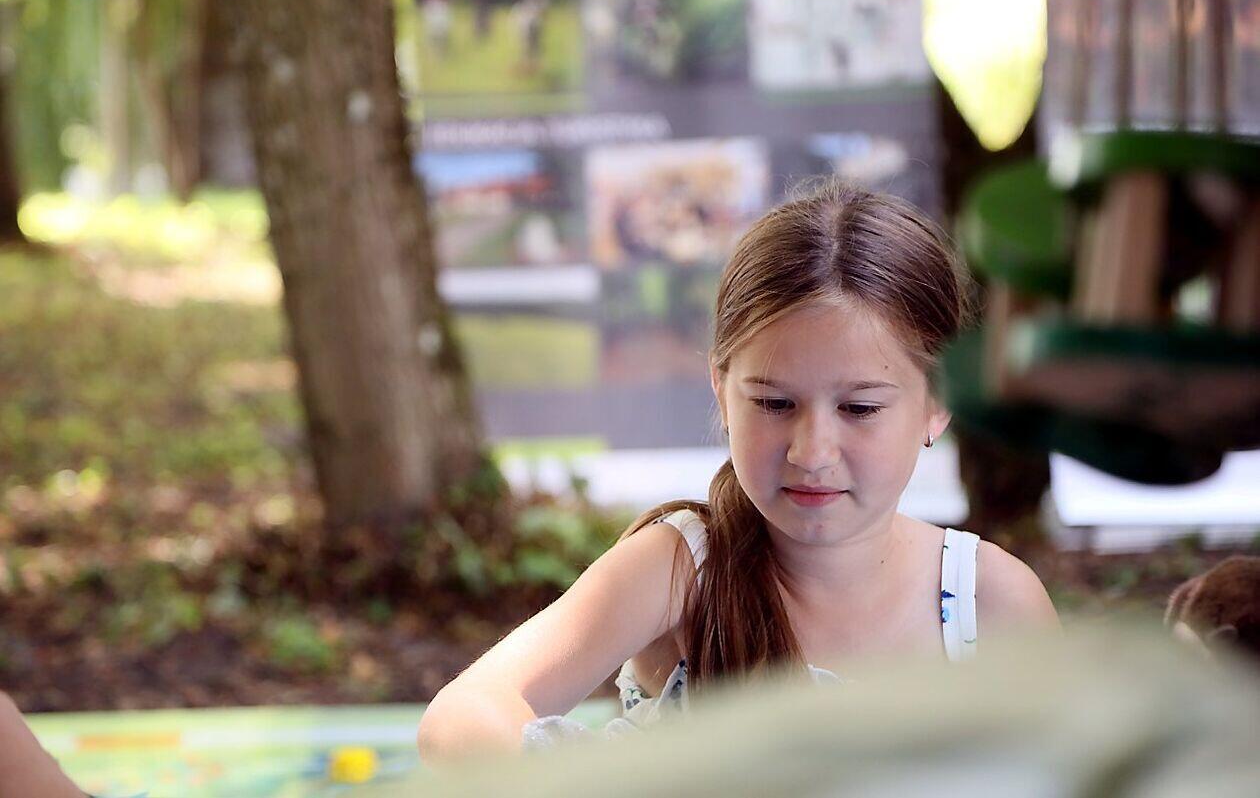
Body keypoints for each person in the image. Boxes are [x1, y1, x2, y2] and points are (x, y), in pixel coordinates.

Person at [416, 180, 1060, 762]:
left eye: (859, 408)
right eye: (774, 403)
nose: (812, 452)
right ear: (722, 390)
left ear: (939, 402)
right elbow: (460, 718)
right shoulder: (684, 569)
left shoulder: (991, 600)